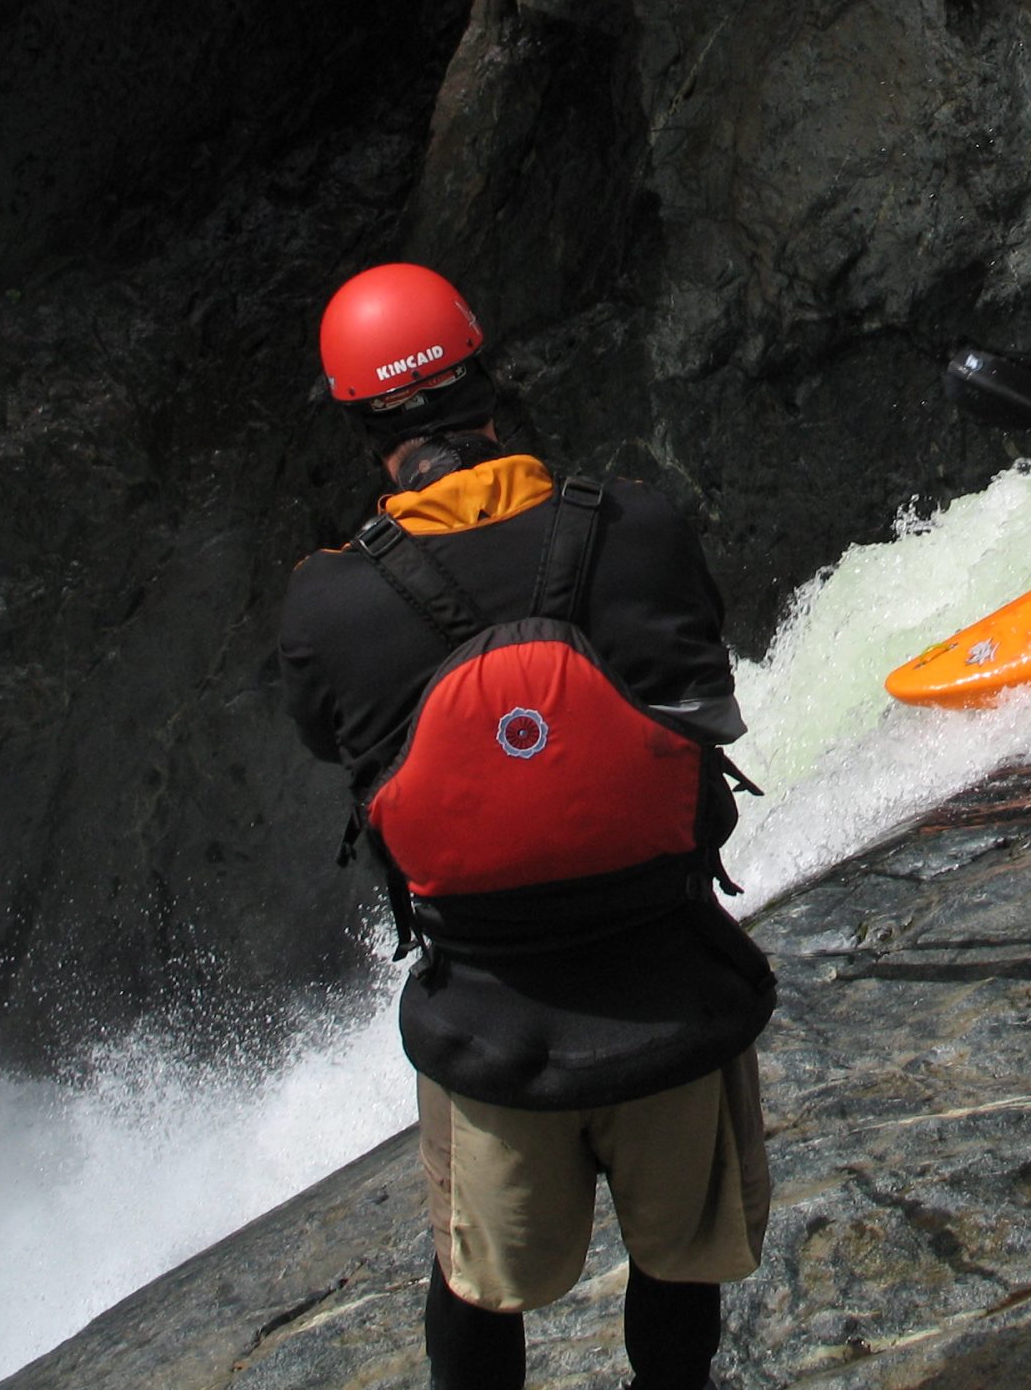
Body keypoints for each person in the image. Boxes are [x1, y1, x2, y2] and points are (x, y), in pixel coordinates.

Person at [276, 262, 773, 1390]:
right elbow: (701, 690)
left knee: (472, 1278)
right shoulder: (638, 526)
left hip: (489, 1021)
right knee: (679, 1258)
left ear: (363, 426)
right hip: (671, 985)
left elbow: (333, 740)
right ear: (487, 383)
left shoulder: (327, 603)